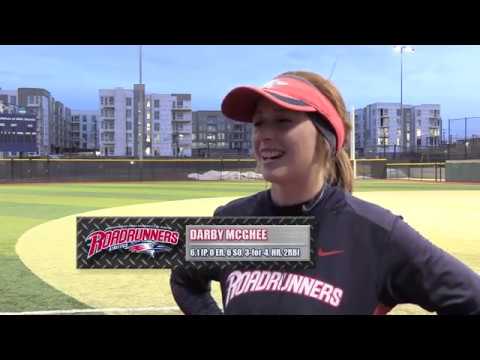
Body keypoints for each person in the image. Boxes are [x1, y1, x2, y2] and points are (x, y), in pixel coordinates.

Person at [170, 70, 480, 314]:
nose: (265, 135)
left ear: (325, 138)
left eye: (283, 121)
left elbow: (470, 299)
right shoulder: (234, 220)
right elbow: (185, 279)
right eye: (259, 123)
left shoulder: (374, 232)